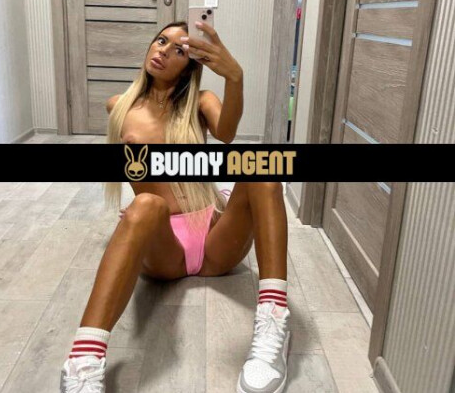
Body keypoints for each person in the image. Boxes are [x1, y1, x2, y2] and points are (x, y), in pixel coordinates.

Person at [60, 20, 291, 393]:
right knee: (145, 205)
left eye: (179, 50)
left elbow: (227, 133)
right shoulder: (118, 106)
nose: (164, 51)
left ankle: (274, 322)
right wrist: (136, 226)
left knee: (262, 167)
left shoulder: (200, 102)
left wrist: (235, 77)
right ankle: (83, 361)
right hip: (164, 249)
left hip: (216, 240)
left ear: (189, 66)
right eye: (161, 41)